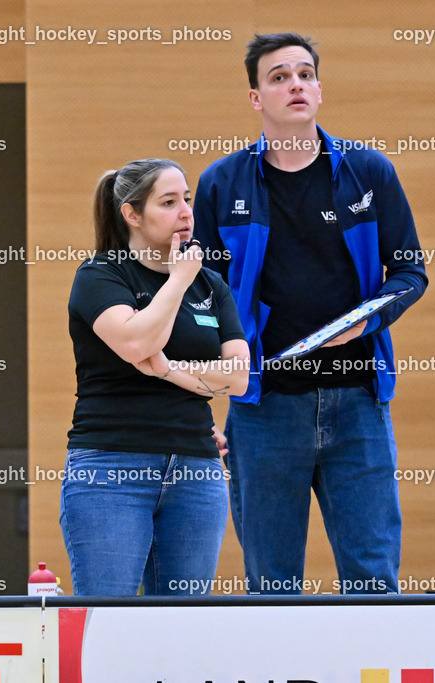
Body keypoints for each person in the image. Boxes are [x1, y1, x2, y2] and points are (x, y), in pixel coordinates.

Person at [192, 33, 429, 594]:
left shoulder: (369, 172)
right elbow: (202, 297)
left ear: (319, 89)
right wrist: (205, 386)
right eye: (278, 77)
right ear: (256, 98)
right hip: (262, 410)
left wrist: (366, 321)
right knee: (272, 586)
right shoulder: (220, 185)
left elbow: (410, 274)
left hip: (360, 406)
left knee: (373, 579)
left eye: (304, 74)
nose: (295, 84)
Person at [62, 158, 250, 596]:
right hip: (111, 467)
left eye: (186, 199)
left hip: (195, 470)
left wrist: (169, 370)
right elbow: (136, 344)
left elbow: (238, 379)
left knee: (180, 630)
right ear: (132, 214)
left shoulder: (211, 285)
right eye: (168, 202)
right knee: (107, 621)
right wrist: (178, 281)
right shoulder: (100, 276)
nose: (186, 212)